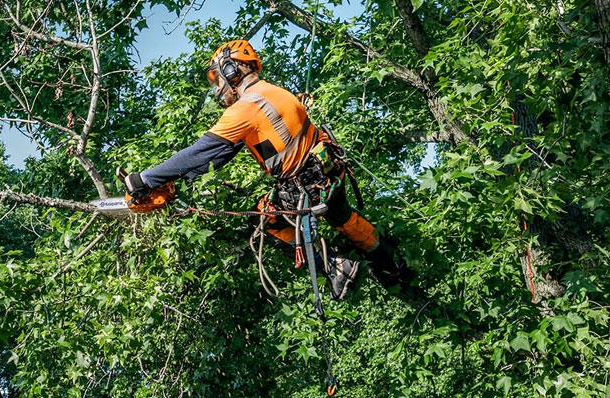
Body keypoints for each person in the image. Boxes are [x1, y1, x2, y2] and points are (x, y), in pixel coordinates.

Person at [122, 40, 414, 300]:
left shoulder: (246, 107)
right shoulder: (274, 92)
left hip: (304, 187)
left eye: (217, 78)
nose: (217, 87)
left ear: (232, 70)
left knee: (264, 222)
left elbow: (202, 151)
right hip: (329, 175)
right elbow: (222, 154)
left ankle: (338, 266)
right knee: (344, 218)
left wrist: (145, 178)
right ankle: (393, 265)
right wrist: (178, 182)